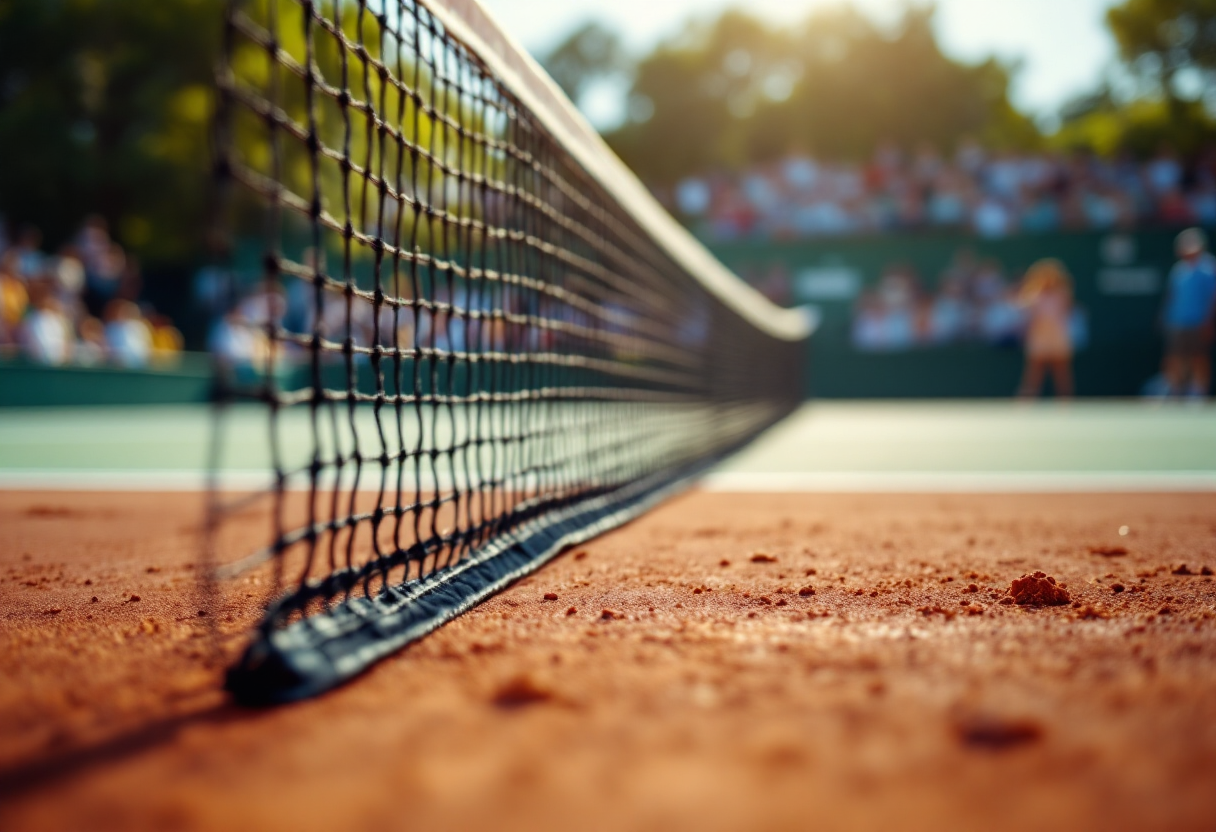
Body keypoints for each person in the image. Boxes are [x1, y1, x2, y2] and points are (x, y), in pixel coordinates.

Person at [1161, 228, 1216, 399]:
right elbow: (1171, 295)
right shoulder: (1178, 270)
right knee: (1174, 356)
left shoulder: (1209, 268)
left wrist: (1209, 321)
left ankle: (1198, 391)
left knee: (1199, 357)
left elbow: (1212, 298)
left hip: (1199, 322)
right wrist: (1165, 316)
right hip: (1177, 321)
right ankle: (1174, 389)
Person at [1016, 259, 1074, 399]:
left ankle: (1066, 401)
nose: (1048, 280)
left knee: (1061, 372)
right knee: (1034, 373)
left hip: (1056, 337)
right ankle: (1026, 400)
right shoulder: (1033, 296)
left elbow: (1065, 310)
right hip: (1040, 337)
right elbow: (1027, 313)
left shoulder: (1061, 294)